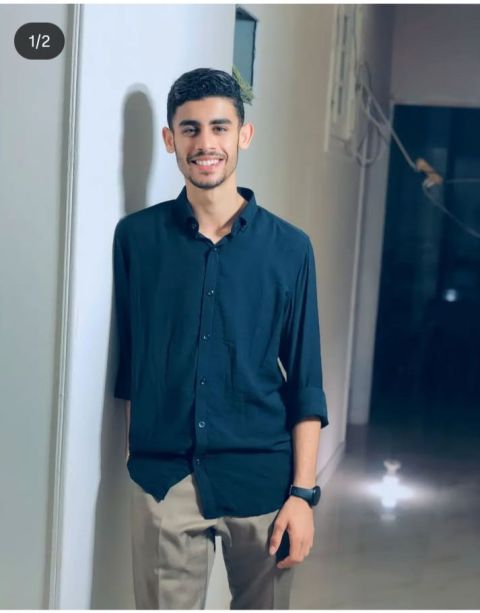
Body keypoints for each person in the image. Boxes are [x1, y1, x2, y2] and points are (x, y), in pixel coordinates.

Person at [113, 67, 329, 609]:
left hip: (263, 482)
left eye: (219, 127)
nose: (205, 143)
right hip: (166, 481)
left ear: (243, 135)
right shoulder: (137, 239)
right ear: (170, 139)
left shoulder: (290, 248)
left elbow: (306, 380)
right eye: (190, 129)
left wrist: (303, 496)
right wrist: (139, 462)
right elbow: (132, 363)